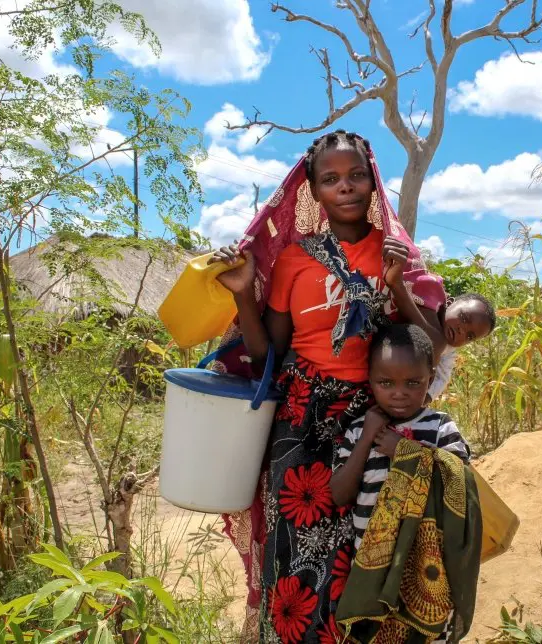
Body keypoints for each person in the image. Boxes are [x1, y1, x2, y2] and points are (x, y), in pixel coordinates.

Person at [207, 130, 446, 643]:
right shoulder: (294, 259)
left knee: (366, 549)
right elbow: (266, 352)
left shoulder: (395, 256)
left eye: (357, 175)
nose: (346, 187)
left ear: (372, 180)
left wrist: (397, 285)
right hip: (299, 422)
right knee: (293, 548)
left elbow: (432, 347)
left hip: (373, 417)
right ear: (313, 192)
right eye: (331, 179)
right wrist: (245, 292)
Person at [330, 324, 480, 643]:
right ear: (370, 380)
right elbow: (339, 494)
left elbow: (460, 481)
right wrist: (369, 434)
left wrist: (404, 451)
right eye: (386, 383)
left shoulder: (440, 427)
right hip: (371, 565)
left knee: (426, 631)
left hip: (430, 566)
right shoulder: (358, 432)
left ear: (430, 378)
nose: (399, 393)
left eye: (413, 382)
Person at [380, 237, 497, 402]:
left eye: (469, 336)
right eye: (463, 318)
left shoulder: (447, 349)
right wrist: (398, 285)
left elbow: (442, 377)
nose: (461, 330)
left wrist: (424, 398)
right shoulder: (431, 296)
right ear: (449, 302)